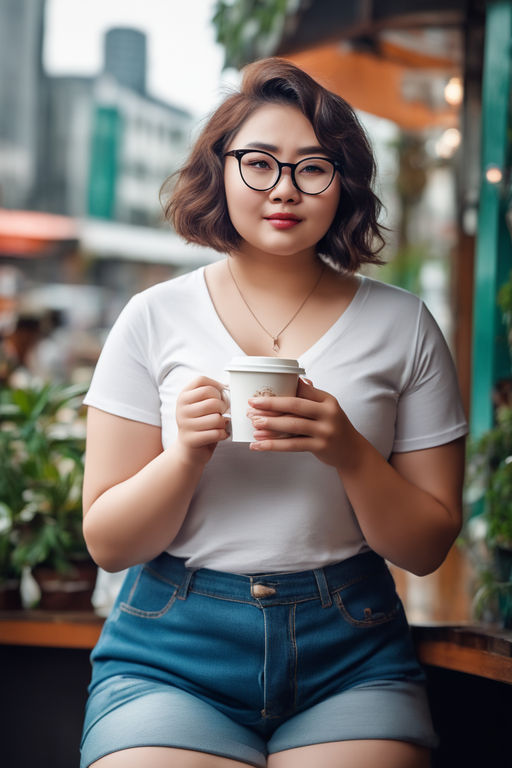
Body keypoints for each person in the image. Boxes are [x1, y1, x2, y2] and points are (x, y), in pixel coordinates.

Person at [80, 58, 468, 768]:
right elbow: (107, 544)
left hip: (350, 649)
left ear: (344, 183)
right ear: (220, 170)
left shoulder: (404, 325)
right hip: (171, 649)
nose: (284, 189)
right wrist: (185, 456)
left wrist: (349, 451)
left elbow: (425, 547)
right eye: (259, 163)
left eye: (312, 168)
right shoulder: (151, 317)